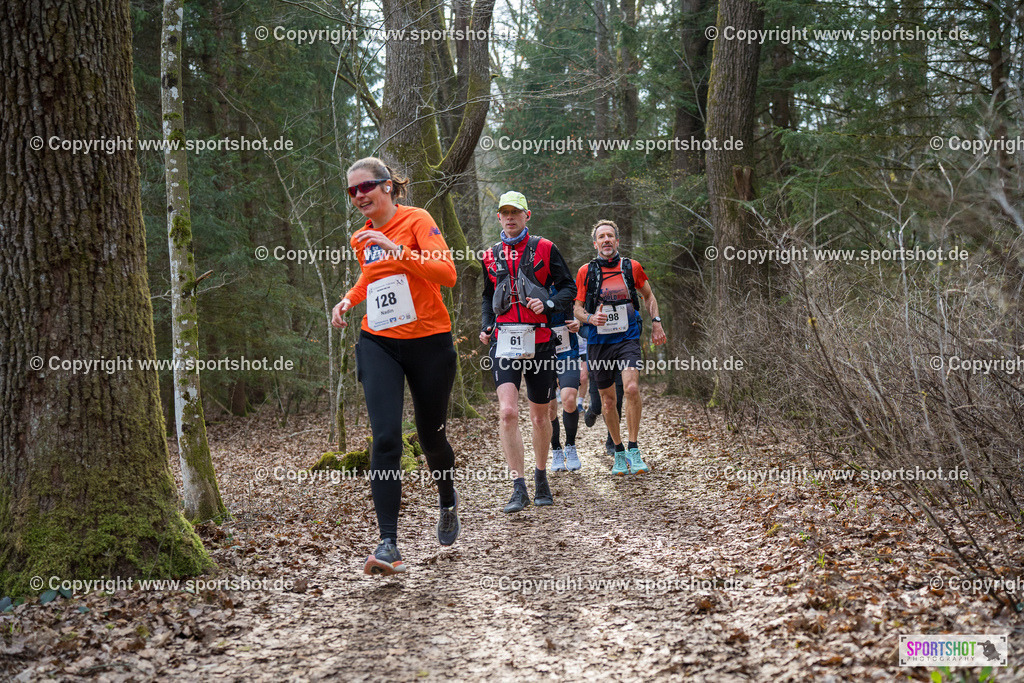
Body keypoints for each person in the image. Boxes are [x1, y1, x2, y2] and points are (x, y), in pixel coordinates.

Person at [331, 157, 460, 576]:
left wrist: (398, 250)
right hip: (379, 341)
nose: (358, 196)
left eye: (364, 187)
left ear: (387, 186)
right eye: (351, 191)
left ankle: (446, 498)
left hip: (430, 342)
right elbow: (373, 277)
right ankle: (388, 543)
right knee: (385, 438)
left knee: (431, 438)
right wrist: (350, 299)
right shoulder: (360, 237)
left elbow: (447, 273)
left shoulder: (418, 220)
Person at [480, 191, 576, 512]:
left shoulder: (545, 248)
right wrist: (486, 324)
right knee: (507, 412)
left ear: (527, 215)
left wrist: (548, 303)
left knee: (539, 416)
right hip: (504, 340)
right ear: (498, 217)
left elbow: (568, 288)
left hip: (541, 340)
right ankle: (517, 486)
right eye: (504, 212)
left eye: (516, 212)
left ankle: (541, 476)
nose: (510, 217)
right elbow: (487, 296)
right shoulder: (489, 255)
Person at [573, 219, 667, 475]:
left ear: (617, 241)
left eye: (610, 236)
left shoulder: (631, 267)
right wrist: (591, 318)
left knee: (632, 388)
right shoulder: (586, 272)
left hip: (627, 338)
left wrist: (656, 323)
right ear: (595, 243)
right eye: (601, 237)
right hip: (598, 342)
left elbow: (648, 295)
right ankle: (618, 450)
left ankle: (634, 449)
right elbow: (577, 309)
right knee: (607, 399)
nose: (606, 240)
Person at [548, 293, 582, 472]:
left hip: (568, 353)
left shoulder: (567, 286)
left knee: (569, 399)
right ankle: (556, 449)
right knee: (548, 409)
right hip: (541, 354)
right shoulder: (530, 283)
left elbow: (583, 308)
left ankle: (570, 445)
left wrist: (579, 322)